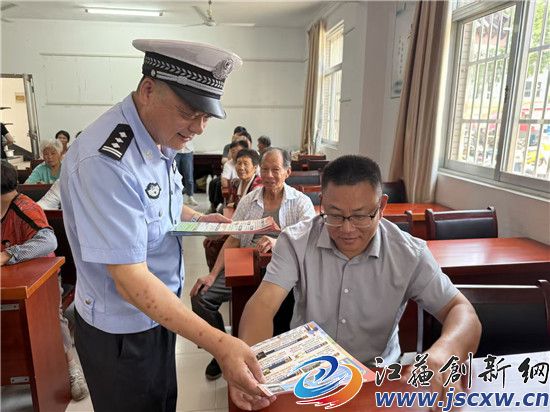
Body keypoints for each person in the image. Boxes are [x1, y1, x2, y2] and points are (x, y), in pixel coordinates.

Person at [59, 39, 271, 412]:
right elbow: (129, 280)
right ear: (148, 90)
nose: (198, 128)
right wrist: (220, 344)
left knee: (162, 402)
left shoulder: (159, 135)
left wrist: (198, 218)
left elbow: (155, 204)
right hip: (122, 330)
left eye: (206, 117)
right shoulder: (106, 161)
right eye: (189, 113)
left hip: (159, 312)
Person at [235, 155, 482, 410]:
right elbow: (262, 306)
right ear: (322, 203)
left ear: (381, 206)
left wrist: (443, 353)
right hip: (308, 376)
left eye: (361, 216)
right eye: (335, 215)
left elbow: (462, 311)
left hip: (378, 379)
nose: (348, 229)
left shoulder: (408, 253)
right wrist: (253, 372)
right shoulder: (296, 242)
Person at [190, 147, 316, 381]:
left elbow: (309, 239)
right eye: (265, 169)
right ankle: (223, 350)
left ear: (287, 172)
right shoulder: (249, 201)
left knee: (282, 311)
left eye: (275, 170)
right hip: (246, 263)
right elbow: (234, 238)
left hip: (285, 271)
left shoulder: (301, 203)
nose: (269, 175)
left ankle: (275, 361)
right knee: (201, 296)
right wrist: (212, 274)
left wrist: (278, 242)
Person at [0, 160, 89, 401]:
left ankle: (71, 367)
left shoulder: (24, 208)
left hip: (43, 277)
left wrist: (9, 255)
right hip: (9, 278)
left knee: (51, 316)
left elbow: (49, 242)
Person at [175, 140, 198, 206]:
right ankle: (176, 197)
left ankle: (190, 197)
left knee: (189, 175)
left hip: (188, 151)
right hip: (175, 151)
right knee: (174, 176)